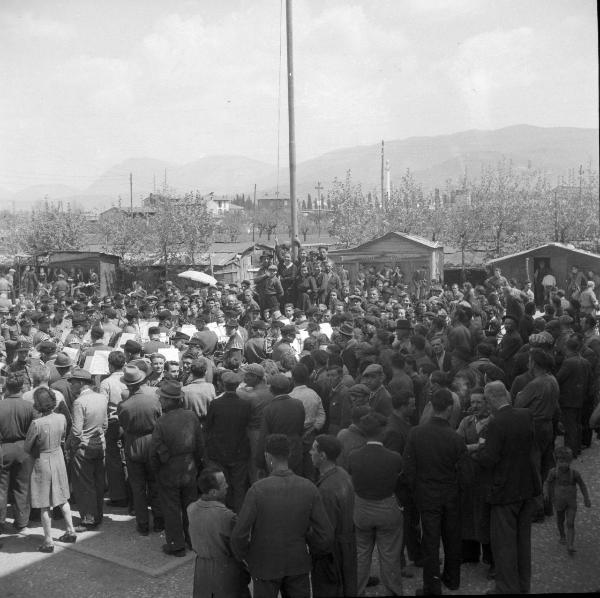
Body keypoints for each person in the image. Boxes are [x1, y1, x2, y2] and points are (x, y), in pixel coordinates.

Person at [231, 434, 333, 598]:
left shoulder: (257, 490)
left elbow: (239, 535)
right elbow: (326, 534)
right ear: (289, 455)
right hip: (298, 563)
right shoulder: (309, 488)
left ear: (267, 456)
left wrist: (248, 557)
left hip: (265, 565)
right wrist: (309, 548)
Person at [473, 381, 541, 595]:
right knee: (523, 544)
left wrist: (477, 452)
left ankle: (506, 588)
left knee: (504, 545)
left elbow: (489, 459)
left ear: (491, 398)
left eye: (485, 399)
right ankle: (522, 586)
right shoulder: (525, 415)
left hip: (504, 493)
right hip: (526, 488)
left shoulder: (495, 424)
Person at [403, 388, 470, 595]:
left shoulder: (416, 433)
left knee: (430, 540)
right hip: (450, 493)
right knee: (452, 537)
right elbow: (465, 473)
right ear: (450, 408)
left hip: (426, 494)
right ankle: (452, 578)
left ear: (431, 406)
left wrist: (416, 492)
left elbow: (409, 468)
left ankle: (431, 586)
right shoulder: (455, 438)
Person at [349, 411, 404, 596]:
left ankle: (357, 591)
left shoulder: (353, 456)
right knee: (390, 555)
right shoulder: (394, 457)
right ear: (382, 431)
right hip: (386, 508)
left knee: (361, 555)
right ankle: (393, 591)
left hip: (362, 509)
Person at [150, 379, 204, 557]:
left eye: (162, 399)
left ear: (169, 401)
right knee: (190, 505)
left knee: (171, 508)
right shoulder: (191, 416)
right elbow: (200, 445)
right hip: (189, 467)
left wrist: (156, 469)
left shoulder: (162, 422)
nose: (160, 401)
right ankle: (192, 540)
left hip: (168, 470)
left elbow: (155, 450)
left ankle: (176, 545)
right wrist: (197, 464)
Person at [24, 387, 77, 552]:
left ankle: (48, 541)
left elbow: (27, 447)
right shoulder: (61, 418)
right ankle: (71, 530)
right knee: (62, 498)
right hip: (58, 457)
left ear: (37, 404)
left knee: (44, 503)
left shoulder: (36, 423)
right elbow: (63, 436)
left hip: (42, 461)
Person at [187, 466, 251, 598]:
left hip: (202, 572)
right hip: (227, 574)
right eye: (223, 484)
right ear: (213, 492)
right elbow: (239, 546)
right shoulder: (227, 517)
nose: (227, 485)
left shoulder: (191, 509)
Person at [118, 364, 164, 535]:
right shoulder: (154, 400)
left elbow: (123, 425)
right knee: (155, 484)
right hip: (152, 442)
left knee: (137, 487)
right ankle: (159, 520)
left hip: (133, 444)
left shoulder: (124, 405)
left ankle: (143, 523)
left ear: (128, 385)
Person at [310, 434, 357, 597]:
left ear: (322, 456)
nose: (310, 452)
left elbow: (325, 533)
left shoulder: (326, 490)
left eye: (313, 449)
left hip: (332, 555)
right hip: (347, 547)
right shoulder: (342, 474)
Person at [67, 367, 108, 531]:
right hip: (99, 443)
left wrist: (70, 445)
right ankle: (98, 515)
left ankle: (88, 519)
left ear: (81, 383)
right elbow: (105, 424)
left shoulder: (79, 402)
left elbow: (76, 431)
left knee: (84, 485)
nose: (71, 386)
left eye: (73, 383)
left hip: (83, 447)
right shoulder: (102, 398)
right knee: (98, 482)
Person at [205, 370, 251, 512]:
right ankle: (238, 518)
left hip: (219, 452)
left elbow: (208, 427)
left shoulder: (215, 404)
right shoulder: (245, 404)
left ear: (223, 385)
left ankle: (223, 515)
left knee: (222, 485)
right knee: (239, 487)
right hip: (239, 451)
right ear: (237, 385)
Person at [0, 373, 35, 532]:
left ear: (6, 387)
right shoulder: (29, 406)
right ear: (22, 388)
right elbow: (35, 430)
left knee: (1, 488)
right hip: (24, 449)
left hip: (3, 449)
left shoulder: (1, 405)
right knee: (22, 487)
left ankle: (1, 522)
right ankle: (21, 522)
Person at [544, 446, 591, 555]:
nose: (563, 464)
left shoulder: (575, 474)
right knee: (560, 521)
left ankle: (570, 544)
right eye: (561, 461)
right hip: (558, 501)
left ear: (570, 461)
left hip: (571, 503)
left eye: (566, 462)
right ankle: (562, 536)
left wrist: (586, 498)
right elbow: (547, 482)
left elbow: (582, 485)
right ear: (557, 461)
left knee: (570, 523)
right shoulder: (553, 472)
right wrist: (545, 492)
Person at [257, 374, 305, 476]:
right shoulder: (298, 404)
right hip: (296, 450)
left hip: (277, 454)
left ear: (271, 389)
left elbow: (263, 437)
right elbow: (301, 429)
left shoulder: (268, 409)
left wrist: (260, 462)